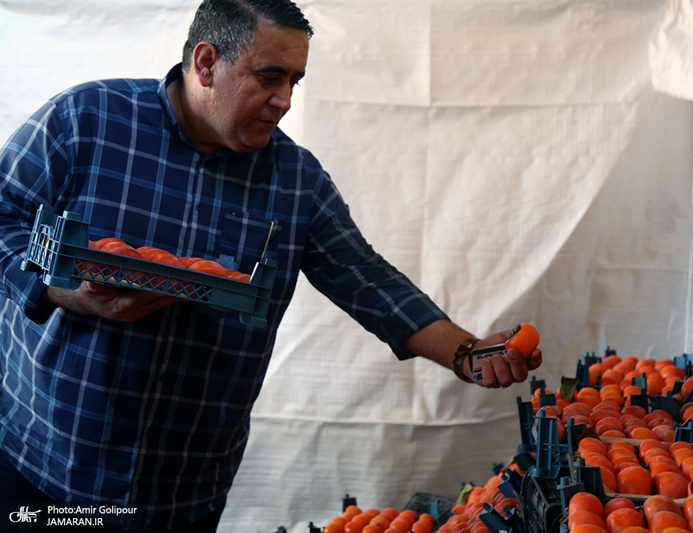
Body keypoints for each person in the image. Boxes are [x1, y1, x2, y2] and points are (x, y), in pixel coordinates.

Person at [0, 0, 542, 531]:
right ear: (207, 63)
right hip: (46, 466)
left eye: (294, 82)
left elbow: (368, 280)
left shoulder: (296, 180)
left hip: (182, 492)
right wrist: (60, 291)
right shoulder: (85, 122)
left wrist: (467, 352)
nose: (284, 100)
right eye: (269, 77)